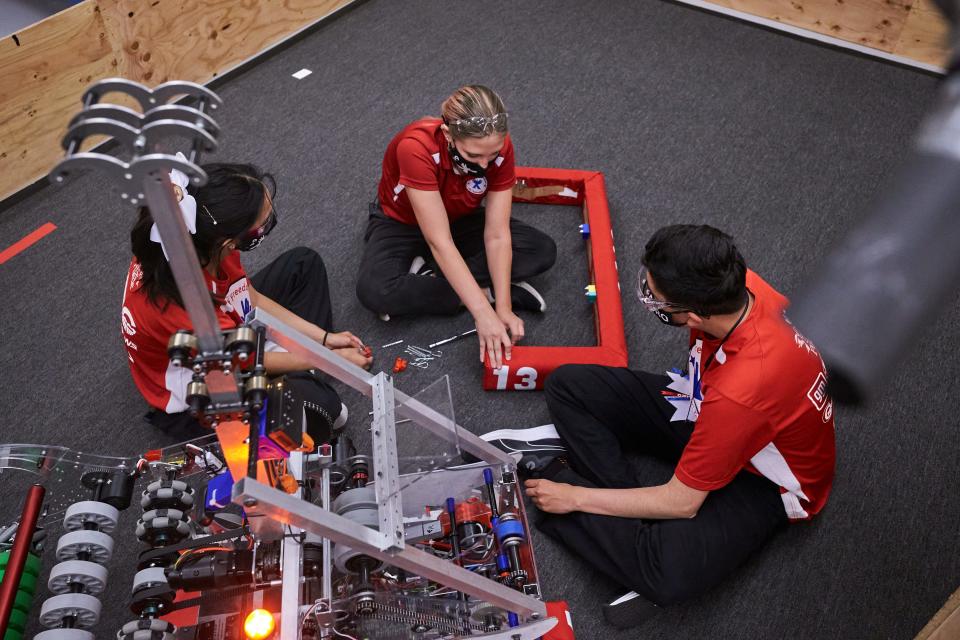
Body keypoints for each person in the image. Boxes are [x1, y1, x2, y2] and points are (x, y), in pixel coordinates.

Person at [480, 225, 836, 627]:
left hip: (765, 480)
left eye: (658, 299)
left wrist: (575, 496)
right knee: (570, 386)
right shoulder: (738, 285)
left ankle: (563, 476)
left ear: (697, 315)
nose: (650, 300)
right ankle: (633, 526)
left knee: (666, 575)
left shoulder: (743, 389)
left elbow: (682, 504)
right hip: (710, 408)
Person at [121, 160, 372, 439]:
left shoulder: (200, 242)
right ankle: (300, 377)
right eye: (261, 226)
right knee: (329, 412)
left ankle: (299, 371)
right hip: (201, 389)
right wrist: (333, 361)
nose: (266, 227)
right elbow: (247, 358)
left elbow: (247, 295)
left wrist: (324, 340)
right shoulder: (182, 306)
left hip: (226, 330)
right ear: (228, 242)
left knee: (303, 264)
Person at [356, 85, 557, 368]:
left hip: (458, 217)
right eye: (474, 156)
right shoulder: (415, 148)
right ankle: (479, 289)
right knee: (375, 291)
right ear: (449, 135)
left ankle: (430, 279)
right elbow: (440, 241)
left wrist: (503, 306)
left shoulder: (499, 147)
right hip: (400, 222)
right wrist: (483, 312)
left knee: (541, 249)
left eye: (492, 154)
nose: (485, 164)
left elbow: (497, 234)